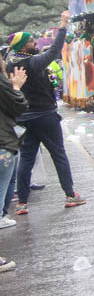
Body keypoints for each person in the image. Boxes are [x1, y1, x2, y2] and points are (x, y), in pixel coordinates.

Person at [7, 11, 87, 213]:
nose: (35, 43)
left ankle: (23, 202)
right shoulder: (32, 63)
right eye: (31, 41)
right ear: (23, 46)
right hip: (45, 116)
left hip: (25, 120)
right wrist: (63, 25)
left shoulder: (11, 64)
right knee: (58, 154)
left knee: (27, 158)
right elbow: (54, 51)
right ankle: (70, 195)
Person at [1, 64, 28, 231]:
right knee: (5, 183)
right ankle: (2, 216)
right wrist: (16, 88)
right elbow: (19, 106)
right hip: (3, 143)